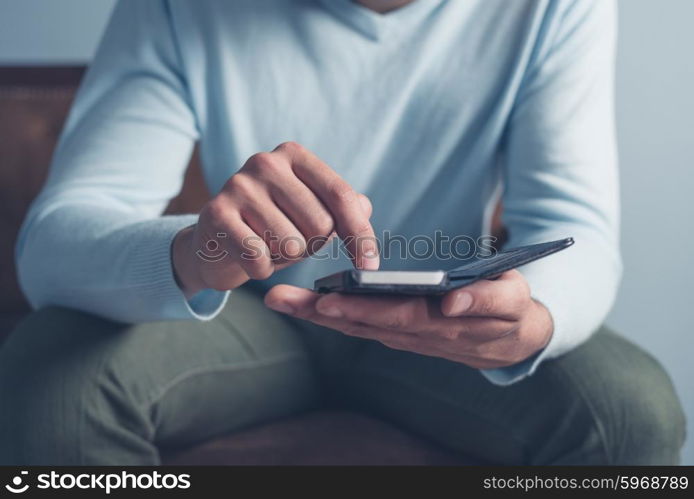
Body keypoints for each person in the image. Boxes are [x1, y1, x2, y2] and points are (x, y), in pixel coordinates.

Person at [0, 0, 685, 465]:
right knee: (53, 389)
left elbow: (575, 228)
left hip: (443, 329)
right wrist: (204, 249)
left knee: (629, 412)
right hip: (248, 311)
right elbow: (54, 242)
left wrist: (534, 318)